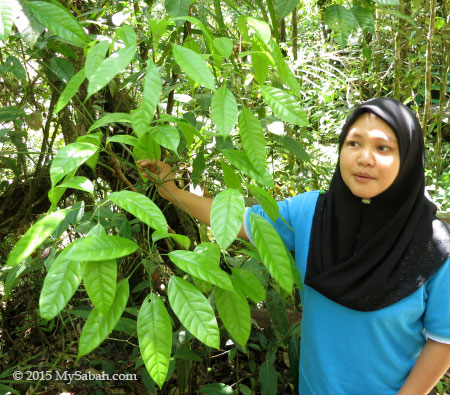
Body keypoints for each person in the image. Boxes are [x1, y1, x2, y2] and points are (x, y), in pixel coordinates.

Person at [138, 97, 450, 394]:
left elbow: (443, 340)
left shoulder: (432, 247)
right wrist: (172, 192)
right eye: (354, 143)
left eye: (383, 147)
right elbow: (237, 221)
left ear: (407, 159)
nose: (364, 157)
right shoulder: (312, 213)